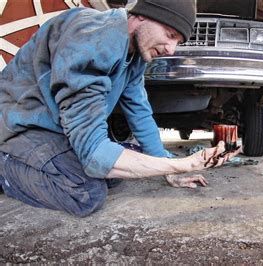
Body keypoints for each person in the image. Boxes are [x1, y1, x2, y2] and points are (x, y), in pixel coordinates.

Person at [0, 0, 240, 217]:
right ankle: (5, 168)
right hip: (21, 128)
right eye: (170, 34)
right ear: (144, 15)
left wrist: (165, 165)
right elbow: (93, 154)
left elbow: (139, 109)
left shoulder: (134, 53)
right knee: (86, 193)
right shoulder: (93, 39)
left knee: (121, 170)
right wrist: (182, 163)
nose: (171, 49)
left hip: (56, 129)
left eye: (177, 41)